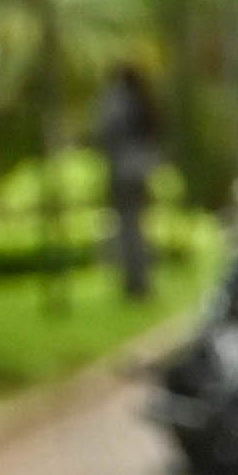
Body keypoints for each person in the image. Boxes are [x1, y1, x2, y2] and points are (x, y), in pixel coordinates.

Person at [93, 62, 164, 298]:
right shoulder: (139, 100)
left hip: (124, 173)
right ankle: (139, 281)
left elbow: (106, 135)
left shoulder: (117, 101)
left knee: (130, 228)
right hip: (138, 170)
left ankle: (136, 283)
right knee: (136, 227)